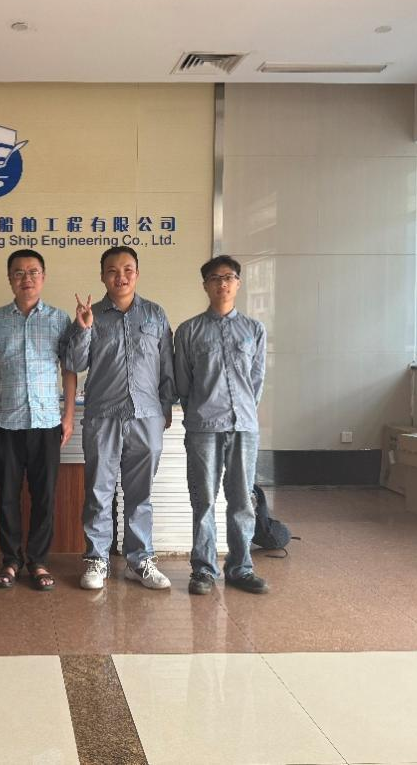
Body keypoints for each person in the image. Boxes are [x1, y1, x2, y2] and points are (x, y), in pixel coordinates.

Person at [64, 245, 175, 591]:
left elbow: (167, 366)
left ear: (137, 274)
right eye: (112, 271)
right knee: (99, 490)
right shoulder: (91, 315)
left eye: (127, 270)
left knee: (140, 493)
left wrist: (165, 409)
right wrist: (83, 329)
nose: (120, 276)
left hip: (146, 416)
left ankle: (139, 561)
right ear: (102, 276)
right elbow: (74, 363)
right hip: (103, 416)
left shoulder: (155, 315)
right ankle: (97, 559)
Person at [173, 254, 269, 595]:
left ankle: (241, 568)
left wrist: (243, 410)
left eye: (228, 277)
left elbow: (256, 380)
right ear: (205, 286)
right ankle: (203, 570)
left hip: (244, 426)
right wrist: (198, 413)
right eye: (215, 278)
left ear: (238, 284)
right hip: (203, 426)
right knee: (204, 500)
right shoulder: (188, 331)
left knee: (242, 500)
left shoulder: (254, 330)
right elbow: (183, 384)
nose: (222, 283)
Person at [0, 249, 77, 592]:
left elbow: (69, 369)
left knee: (44, 496)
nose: (26, 279)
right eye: (19, 273)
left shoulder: (59, 319)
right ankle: (10, 560)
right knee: (6, 495)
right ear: (10, 278)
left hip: (47, 421)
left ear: (43, 277)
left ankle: (38, 560)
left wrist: (68, 415)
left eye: (33, 272)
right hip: (5, 421)